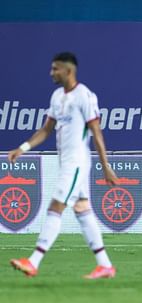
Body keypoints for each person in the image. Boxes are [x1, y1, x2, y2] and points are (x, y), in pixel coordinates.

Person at [9, 52, 118, 279]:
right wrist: (23, 147)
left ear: (68, 71)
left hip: (76, 163)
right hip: (66, 162)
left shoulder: (84, 96)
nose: (51, 73)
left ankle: (34, 261)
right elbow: (45, 130)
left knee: (55, 207)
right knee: (82, 210)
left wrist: (105, 165)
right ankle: (105, 265)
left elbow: (96, 133)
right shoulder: (57, 96)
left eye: (55, 69)